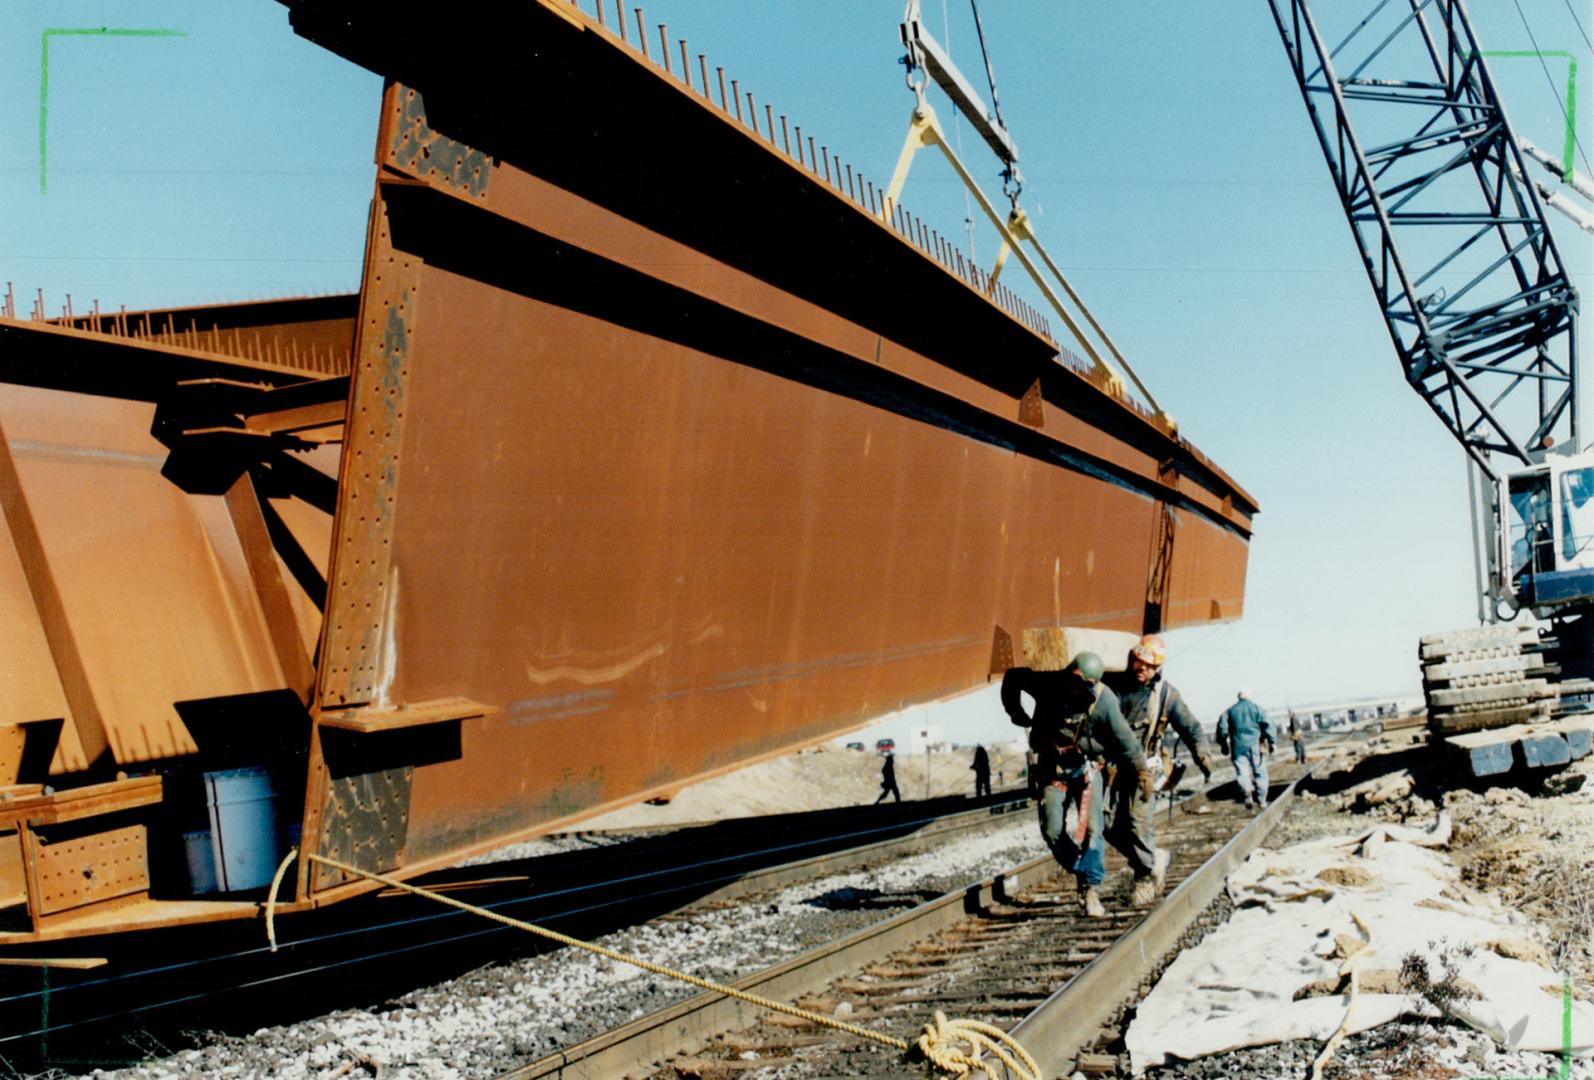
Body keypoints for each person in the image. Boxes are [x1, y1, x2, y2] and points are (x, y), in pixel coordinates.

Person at [1001, 651, 1148, 918]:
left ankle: (1090, 887)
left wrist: (1142, 771)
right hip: (1052, 768)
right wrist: (1015, 710)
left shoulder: (1105, 702)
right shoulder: (1047, 685)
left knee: (1093, 829)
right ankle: (1084, 870)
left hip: (1087, 768)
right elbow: (1012, 677)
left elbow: (1126, 740)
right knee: (1052, 831)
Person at [1103, 634, 1214, 907]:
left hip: (1146, 768)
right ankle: (1153, 858)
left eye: (1150, 666)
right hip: (1114, 767)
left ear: (1158, 668)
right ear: (1132, 659)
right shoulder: (1112, 687)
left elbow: (1190, 727)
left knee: (1137, 821)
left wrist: (1202, 753)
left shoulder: (1165, 695)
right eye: (1140, 663)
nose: (1143, 669)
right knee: (1107, 826)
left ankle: (1144, 877)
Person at [1217, 690, 1274, 810]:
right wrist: (1272, 741)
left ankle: (1247, 790)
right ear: (1250, 696)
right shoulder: (1257, 708)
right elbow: (1268, 724)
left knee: (1242, 772)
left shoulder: (1229, 711)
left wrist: (1223, 744)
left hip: (1237, 747)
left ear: (1238, 697)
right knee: (1260, 773)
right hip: (1256, 745)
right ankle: (1262, 801)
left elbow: (1222, 728)